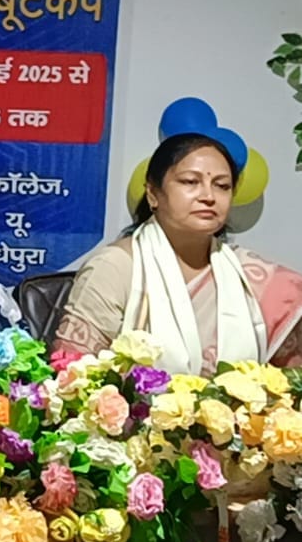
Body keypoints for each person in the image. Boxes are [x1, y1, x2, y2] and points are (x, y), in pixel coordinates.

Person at [54, 133, 302, 375]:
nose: (208, 196)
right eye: (190, 182)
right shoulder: (115, 267)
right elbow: (72, 379)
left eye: (222, 186)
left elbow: (291, 382)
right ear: (153, 194)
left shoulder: (252, 276)